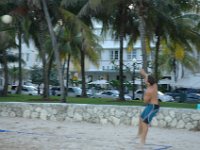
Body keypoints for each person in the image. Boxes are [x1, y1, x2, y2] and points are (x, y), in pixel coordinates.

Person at [136, 68, 160, 145]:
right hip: (150, 105)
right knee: (141, 117)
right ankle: (139, 134)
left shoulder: (149, 91)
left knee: (145, 123)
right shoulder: (155, 85)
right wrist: (144, 73)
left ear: (148, 83)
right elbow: (148, 77)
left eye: (145, 79)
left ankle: (143, 141)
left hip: (153, 107)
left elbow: (145, 102)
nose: (144, 80)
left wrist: (145, 98)